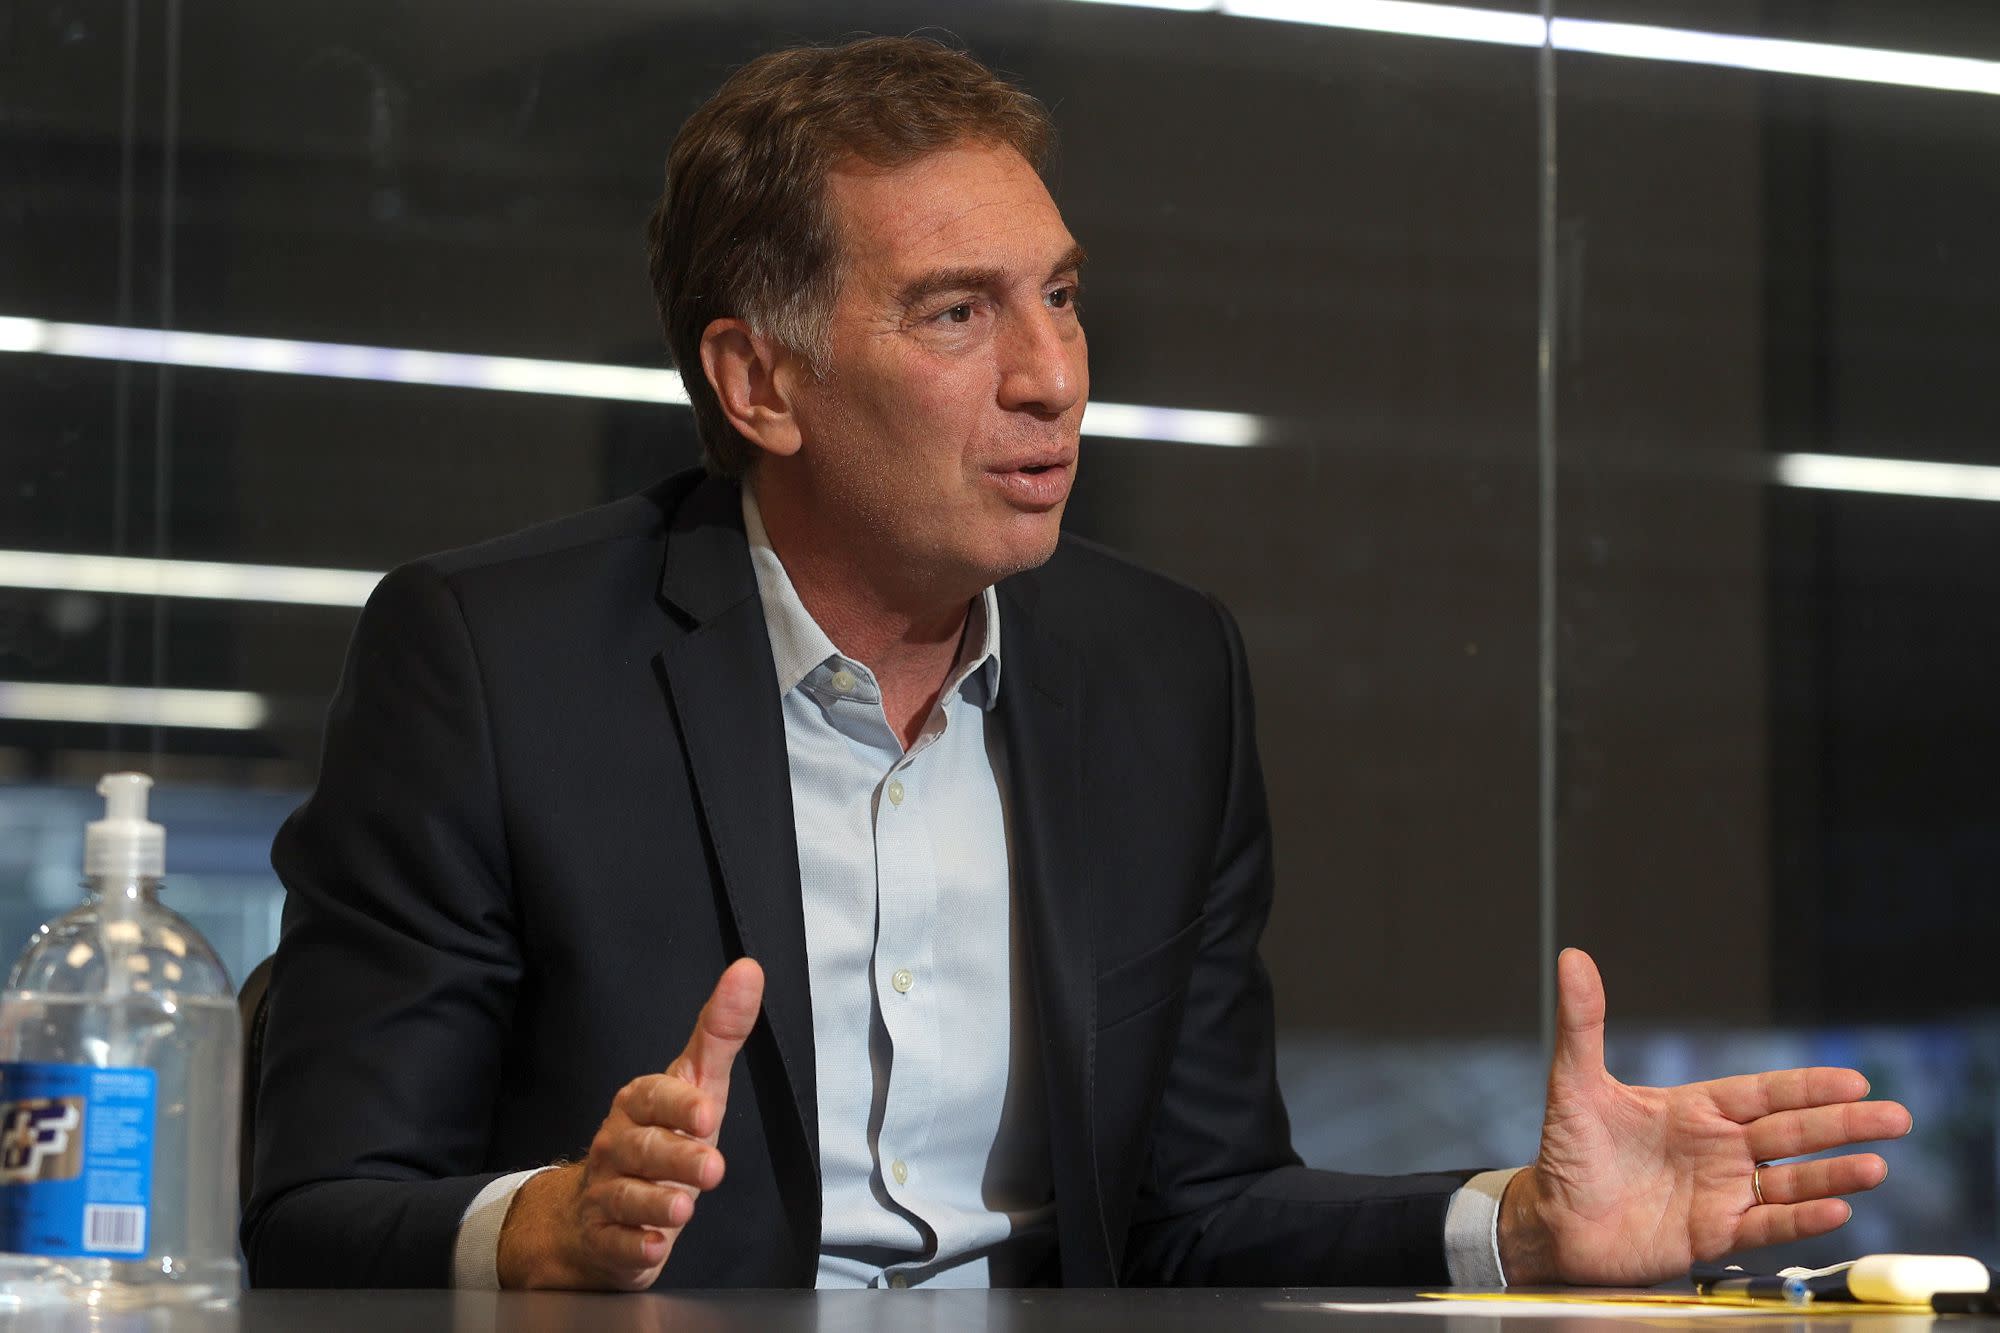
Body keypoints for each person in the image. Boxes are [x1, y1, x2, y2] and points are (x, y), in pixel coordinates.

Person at [241, 36, 1910, 1291]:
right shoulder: (498, 663)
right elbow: (316, 1206)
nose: (1052, 375)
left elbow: (1199, 1210)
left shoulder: (1161, 674)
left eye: (1060, 296)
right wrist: (539, 1227)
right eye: (957, 313)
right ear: (760, 383)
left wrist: (1520, 1227)